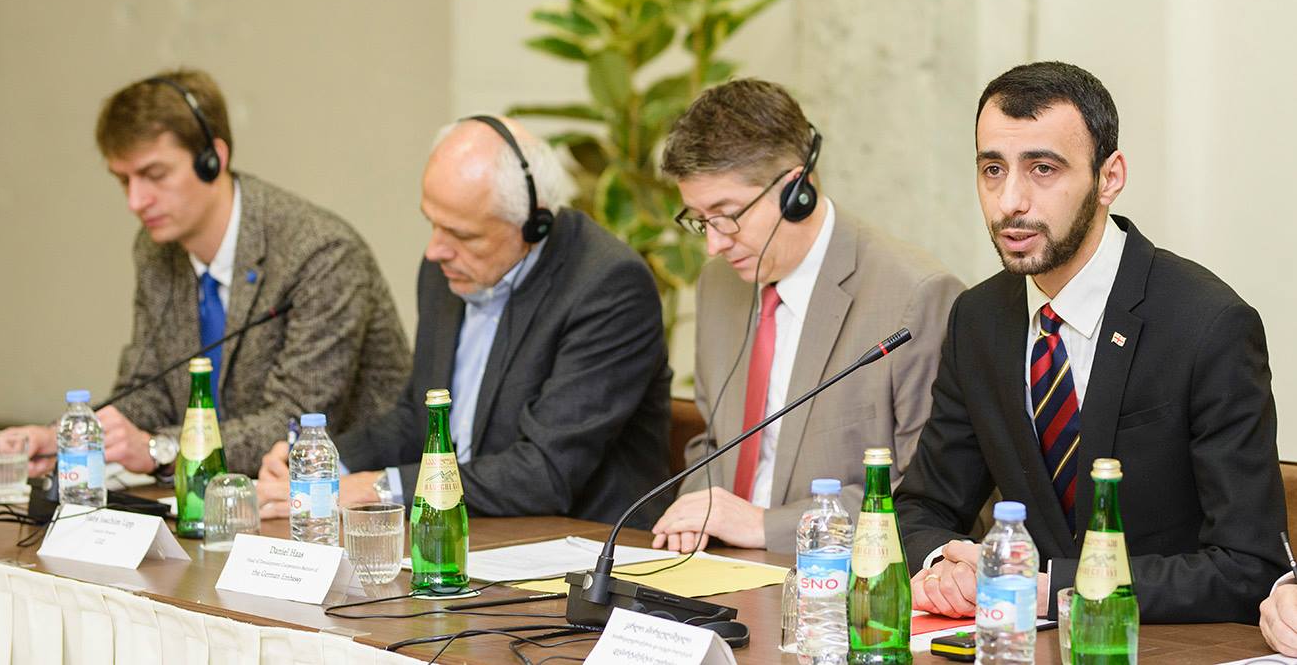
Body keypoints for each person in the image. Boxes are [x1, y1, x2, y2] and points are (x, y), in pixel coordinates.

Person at [895, 61, 1285, 623]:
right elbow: (921, 507)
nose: (1010, 201)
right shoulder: (978, 319)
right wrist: (944, 564)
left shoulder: (1208, 324)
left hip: (1160, 647)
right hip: (1019, 645)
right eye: (992, 169)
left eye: (1043, 169)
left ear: (1109, 178)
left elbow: (1249, 566)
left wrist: (1053, 588)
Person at [256, 116, 672, 526]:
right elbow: (417, 419)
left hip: (579, 542)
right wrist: (325, 464)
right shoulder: (445, 270)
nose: (435, 250)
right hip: (466, 527)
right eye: (432, 223)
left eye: (463, 235)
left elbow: (544, 472)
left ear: (534, 225)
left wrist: (378, 488)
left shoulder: (607, 286)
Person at [1, 69, 410, 476]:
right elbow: (148, 393)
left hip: (341, 499)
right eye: (123, 180)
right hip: (218, 493)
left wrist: (160, 449)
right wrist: (67, 436)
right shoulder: (156, 250)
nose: (136, 201)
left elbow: (295, 423)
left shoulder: (320, 252)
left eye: (154, 175)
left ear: (212, 160)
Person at [650, 79, 962, 554]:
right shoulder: (718, 284)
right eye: (699, 219)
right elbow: (713, 444)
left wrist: (765, 527)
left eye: (726, 215)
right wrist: (694, 513)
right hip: (714, 561)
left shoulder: (915, 296)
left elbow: (927, 497)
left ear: (797, 191)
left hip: (834, 575)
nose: (713, 244)